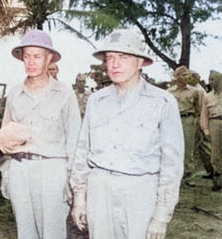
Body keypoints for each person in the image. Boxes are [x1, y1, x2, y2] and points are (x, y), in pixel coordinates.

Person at [70, 29, 184, 239]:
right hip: (100, 191)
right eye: (110, 58)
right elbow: (82, 151)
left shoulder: (163, 102)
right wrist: (80, 198)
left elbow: (172, 165)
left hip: (140, 193)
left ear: (141, 62)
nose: (114, 64)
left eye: (123, 57)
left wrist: (161, 215)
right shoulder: (97, 101)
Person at [0, 29, 81, 239]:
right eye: (26, 56)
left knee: (52, 233)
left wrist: (72, 182)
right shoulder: (15, 93)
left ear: (49, 59)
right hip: (20, 169)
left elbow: (75, 141)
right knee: (25, 233)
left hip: (52, 170)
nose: (31, 62)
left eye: (37, 56)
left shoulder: (64, 93)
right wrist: (7, 174)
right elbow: (5, 138)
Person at [167, 66, 202, 186]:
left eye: (188, 74)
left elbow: (199, 108)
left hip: (188, 120)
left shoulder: (195, 91)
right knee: (172, 148)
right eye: (184, 75)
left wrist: (198, 124)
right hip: (173, 121)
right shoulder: (169, 92)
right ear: (177, 76)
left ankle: (188, 176)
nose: (187, 77)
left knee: (188, 149)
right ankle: (173, 176)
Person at [187, 70, 213, 179]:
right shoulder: (197, 89)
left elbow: (202, 108)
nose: (188, 80)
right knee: (203, 147)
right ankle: (211, 170)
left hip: (198, 119)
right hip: (198, 119)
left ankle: (213, 169)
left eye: (190, 77)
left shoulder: (199, 91)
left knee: (200, 145)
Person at [200, 70, 222, 191]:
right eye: (209, 79)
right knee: (215, 155)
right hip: (214, 123)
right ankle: (218, 181)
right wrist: (206, 130)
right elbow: (204, 116)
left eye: (213, 79)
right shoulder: (207, 97)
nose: (210, 82)